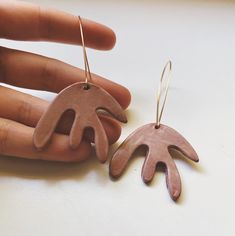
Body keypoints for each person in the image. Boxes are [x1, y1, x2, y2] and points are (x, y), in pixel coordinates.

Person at [0, 0, 131, 162]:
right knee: (95, 130)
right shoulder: (72, 94)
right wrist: (119, 114)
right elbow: (118, 112)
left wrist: (119, 114)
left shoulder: (87, 94)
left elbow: (117, 111)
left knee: (95, 130)